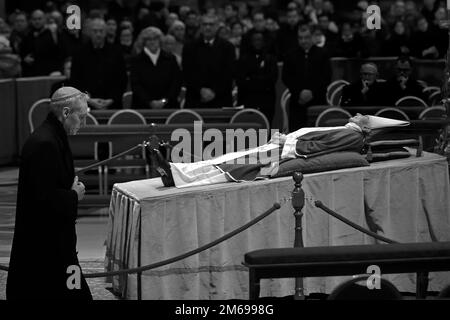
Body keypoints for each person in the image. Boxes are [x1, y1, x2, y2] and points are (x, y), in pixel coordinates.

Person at [7, 86, 92, 300]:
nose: (84, 124)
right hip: (45, 249)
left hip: (54, 243)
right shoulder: (45, 143)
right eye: (81, 117)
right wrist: (74, 195)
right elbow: (42, 200)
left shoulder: (53, 136)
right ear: (65, 113)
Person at [148, 114, 374, 188]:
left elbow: (319, 147)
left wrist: (288, 142)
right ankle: (175, 171)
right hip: (282, 147)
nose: (355, 114)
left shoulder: (352, 134)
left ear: (365, 126)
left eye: (361, 117)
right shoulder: (349, 130)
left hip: (283, 153)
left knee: (230, 165)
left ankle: (176, 176)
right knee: (228, 158)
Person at [70, 18, 127, 109]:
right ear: (90, 33)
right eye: (95, 31)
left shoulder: (116, 52)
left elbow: (122, 80)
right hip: (86, 104)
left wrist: (111, 99)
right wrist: (89, 99)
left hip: (113, 104)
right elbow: (75, 81)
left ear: (105, 32)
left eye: (101, 31)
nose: (98, 34)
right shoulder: (79, 53)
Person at [282, 24, 331, 130]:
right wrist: (299, 92)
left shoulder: (323, 54)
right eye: (300, 38)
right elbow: (286, 77)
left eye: (307, 37)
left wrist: (312, 92)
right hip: (297, 102)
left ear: (313, 36)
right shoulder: (290, 55)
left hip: (318, 101)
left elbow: (326, 77)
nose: (303, 41)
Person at [182, 14, 235, 108]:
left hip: (220, 100)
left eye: (211, 24)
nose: (208, 27)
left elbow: (229, 73)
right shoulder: (189, 47)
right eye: (205, 24)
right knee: (197, 123)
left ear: (217, 26)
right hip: (196, 101)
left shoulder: (228, 47)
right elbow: (187, 72)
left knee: (218, 122)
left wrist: (214, 91)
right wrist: (200, 90)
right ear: (200, 26)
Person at [130, 27, 182, 109]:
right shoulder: (136, 60)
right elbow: (136, 85)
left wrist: (164, 101)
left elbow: (176, 82)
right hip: (143, 106)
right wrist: (150, 102)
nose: (152, 42)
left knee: (196, 121)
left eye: (155, 39)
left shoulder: (170, 59)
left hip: (168, 106)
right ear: (144, 42)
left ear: (160, 41)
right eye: (149, 39)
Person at [236, 31, 278, 123]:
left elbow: (272, 80)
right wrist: (260, 79)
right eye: (254, 40)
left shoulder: (270, 59)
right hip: (249, 100)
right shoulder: (244, 59)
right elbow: (241, 80)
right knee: (250, 129)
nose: (257, 42)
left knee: (266, 128)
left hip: (267, 101)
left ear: (264, 41)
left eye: (259, 40)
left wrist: (252, 78)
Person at [20, 9, 64, 76]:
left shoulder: (53, 33)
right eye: (34, 19)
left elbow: (60, 52)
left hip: (51, 72)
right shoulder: (27, 35)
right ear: (31, 21)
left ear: (45, 19)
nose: (37, 21)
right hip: (32, 72)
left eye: (39, 19)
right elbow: (21, 53)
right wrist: (24, 59)